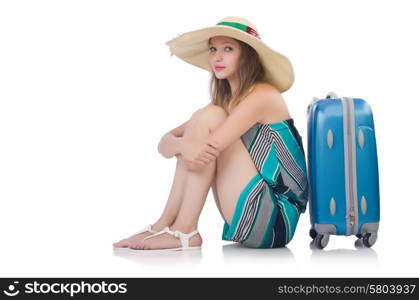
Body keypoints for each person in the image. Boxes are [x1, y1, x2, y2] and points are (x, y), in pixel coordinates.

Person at [113, 16, 309, 251]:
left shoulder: (263, 95)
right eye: (213, 49)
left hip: (276, 217)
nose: (217, 57)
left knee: (208, 119)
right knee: (204, 117)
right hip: (252, 208)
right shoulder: (225, 103)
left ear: (246, 55)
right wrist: (182, 146)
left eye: (228, 49)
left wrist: (183, 145)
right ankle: (163, 224)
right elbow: (164, 143)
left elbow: (207, 148)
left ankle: (185, 230)